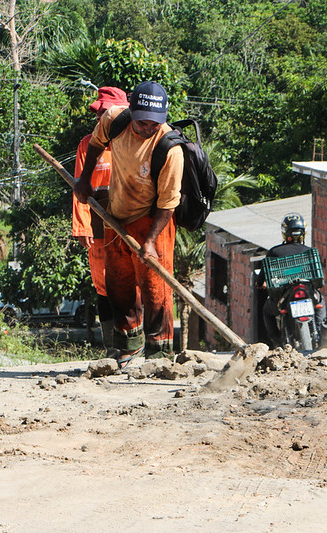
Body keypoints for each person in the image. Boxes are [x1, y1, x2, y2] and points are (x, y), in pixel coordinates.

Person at [74, 81, 182, 368]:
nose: (148, 128)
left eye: (154, 124)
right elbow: (96, 143)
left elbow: (169, 203)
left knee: (154, 287)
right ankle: (127, 349)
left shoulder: (170, 148)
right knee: (118, 285)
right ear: (131, 111)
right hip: (117, 214)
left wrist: (149, 241)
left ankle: (159, 355)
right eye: (142, 122)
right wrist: (84, 180)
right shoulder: (114, 120)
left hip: (154, 219)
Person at [72, 86, 129, 353]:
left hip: (130, 224)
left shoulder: (135, 140)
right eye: (99, 114)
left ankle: (134, 345)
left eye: (105, 114)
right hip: (99, 229)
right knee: (104, 286)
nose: (100, 120)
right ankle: (112, 349)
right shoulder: (88, 145)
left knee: (132, 285)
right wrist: (82, 226)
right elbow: (80, 188)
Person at [258, 213, 326, 348]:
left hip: (283, 295)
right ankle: (320, 331)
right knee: (321, 302)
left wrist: (260, 283)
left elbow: (263, 274)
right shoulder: (310, 252)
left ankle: (277, 342)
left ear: (285, 233)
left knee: (267, 311)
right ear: (303, 233)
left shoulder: (274, 252)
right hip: (306, 290)